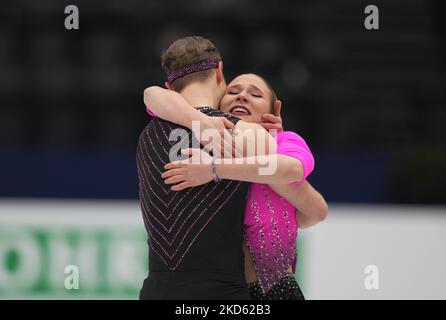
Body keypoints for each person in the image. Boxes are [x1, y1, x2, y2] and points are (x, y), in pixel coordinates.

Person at [137, 36, 315, 300]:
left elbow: (150, 95)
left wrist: (199, 123)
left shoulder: (146, 134)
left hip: (156, 290)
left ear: (170, 87)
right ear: (220, 71)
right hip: (220, 291)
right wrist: (276, 136)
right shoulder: (248, 134)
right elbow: (299, 186)